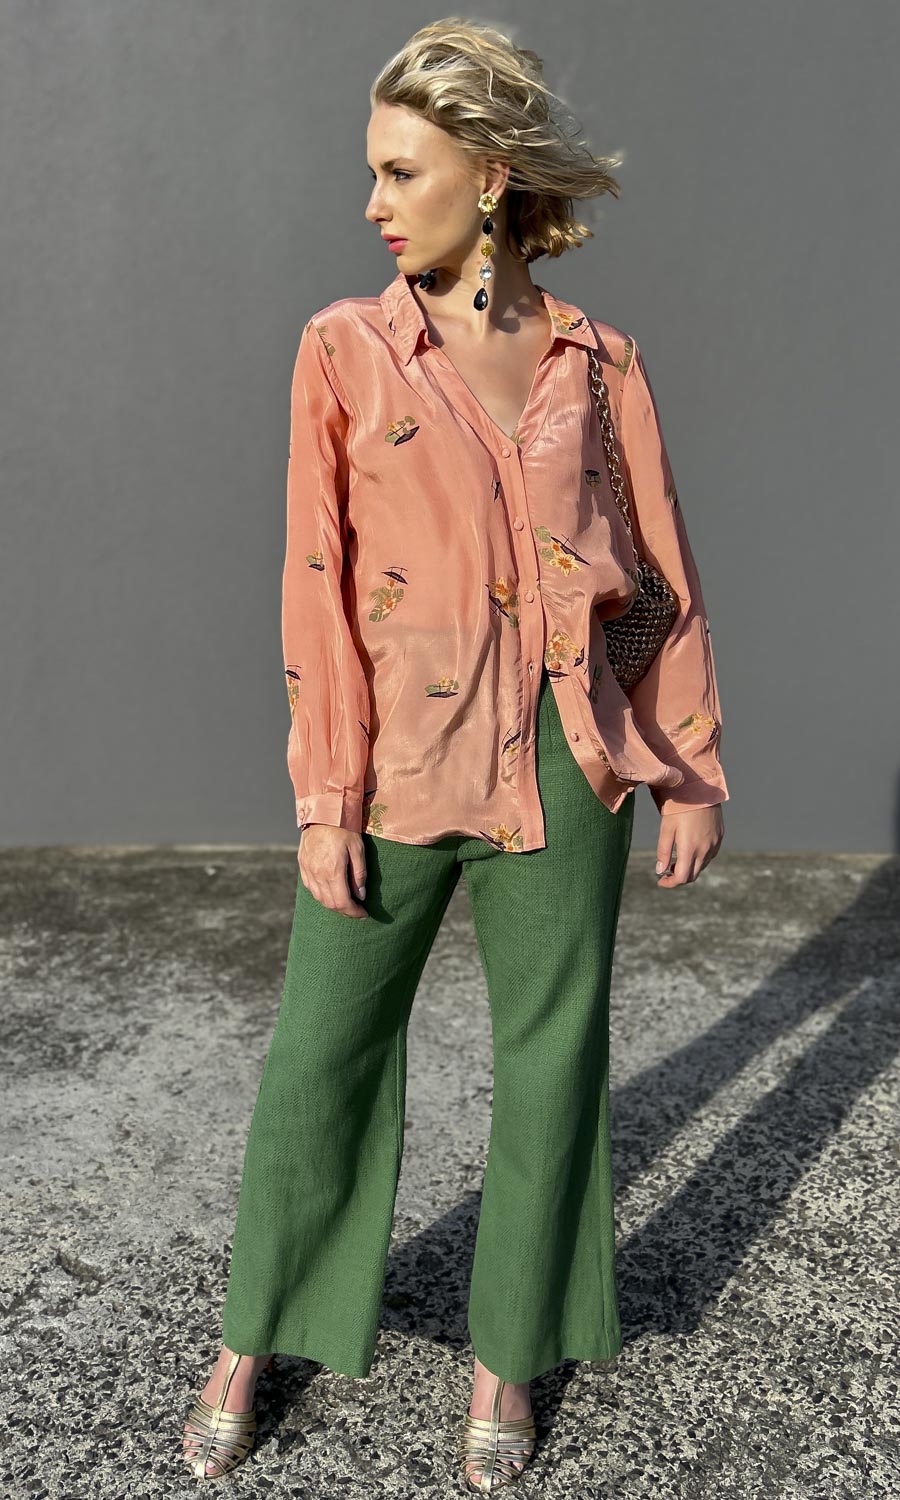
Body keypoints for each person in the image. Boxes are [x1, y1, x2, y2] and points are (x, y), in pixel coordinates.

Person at [181, 17, 729, 1493]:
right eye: (373, 170)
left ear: (489, 178)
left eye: (400, 171)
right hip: (401, 759)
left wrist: (685, 761)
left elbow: (658, 578)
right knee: (322, 1051)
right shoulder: (346, 351)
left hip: (566, 757)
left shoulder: (599, 365)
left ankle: (509, 1353)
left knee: (554, 1057)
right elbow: (315, 586)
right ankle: (254, 1335)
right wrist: (325, 798)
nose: (373, 200)